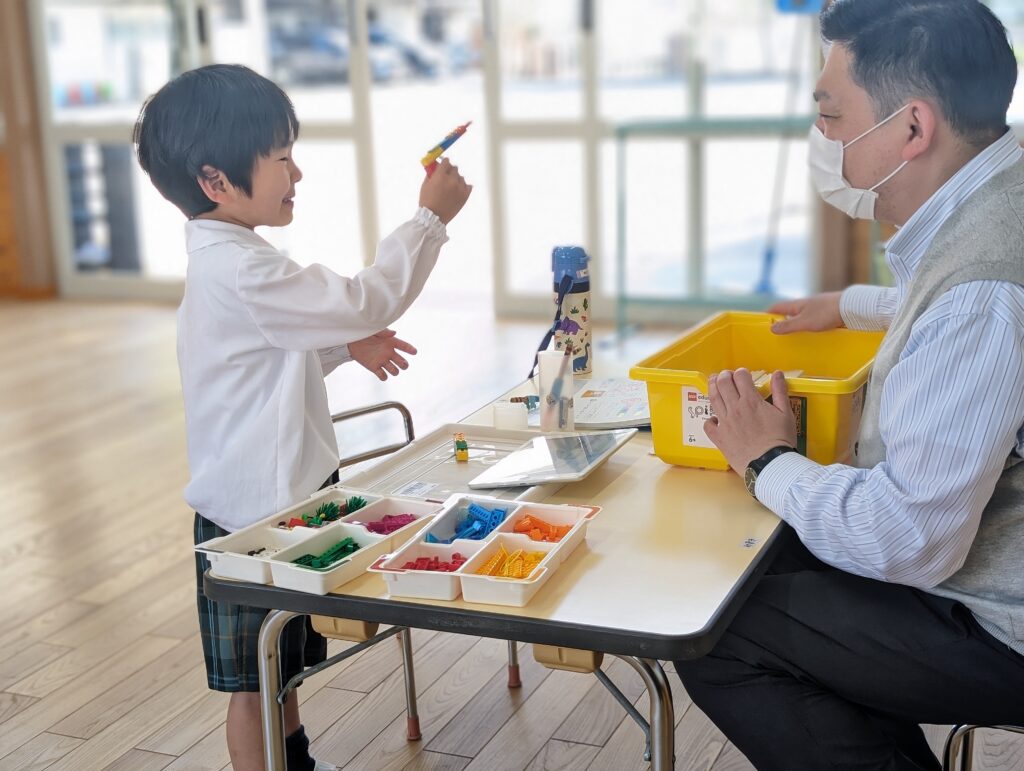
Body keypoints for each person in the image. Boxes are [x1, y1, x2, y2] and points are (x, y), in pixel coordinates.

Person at [674, 1, 1024, 768]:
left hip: (1002, 624)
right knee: (769, 558)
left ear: (911, 129)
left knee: (719, 632)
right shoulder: (1002, 188)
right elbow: (948, 314)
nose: (824, 138)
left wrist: (768, 460)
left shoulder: (984, 291)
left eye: (832, 115)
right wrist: (847, 305)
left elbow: (914, 537)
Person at [133, 63, 471, 770]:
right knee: (255, 685)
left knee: (278, 670)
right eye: (282, 157)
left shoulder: (233, 263)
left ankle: (298, 762)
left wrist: (345, 348)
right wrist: (429, 219)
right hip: (249, 523)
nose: (298, 173)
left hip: (277, 507)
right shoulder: (244, 271)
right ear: (215, 181)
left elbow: (265, 371)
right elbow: (364, 296)